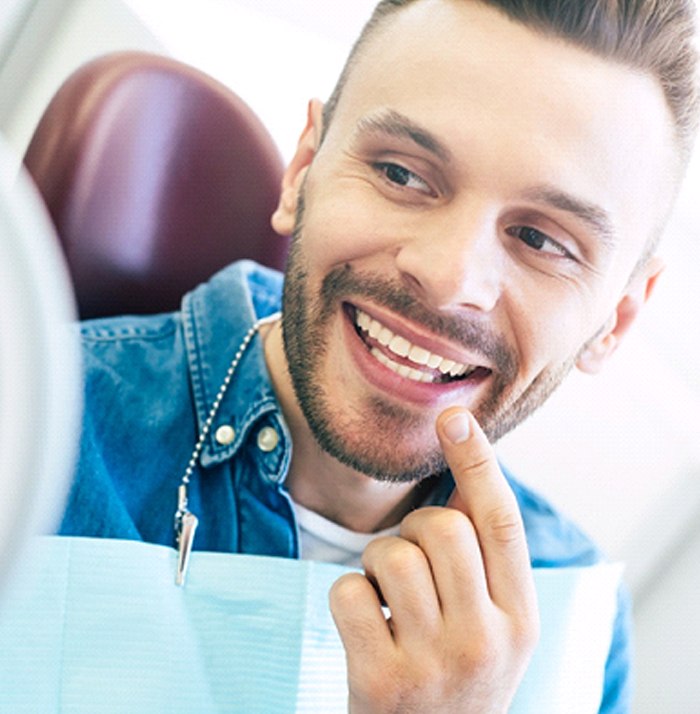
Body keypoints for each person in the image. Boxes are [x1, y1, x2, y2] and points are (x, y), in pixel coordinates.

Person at [59, 0, 699, 711]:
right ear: (304, 169)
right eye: (402, 174)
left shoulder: (577, 631)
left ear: (616, 319)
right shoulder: (33, 426)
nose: (450, 275)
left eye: (542, 240)